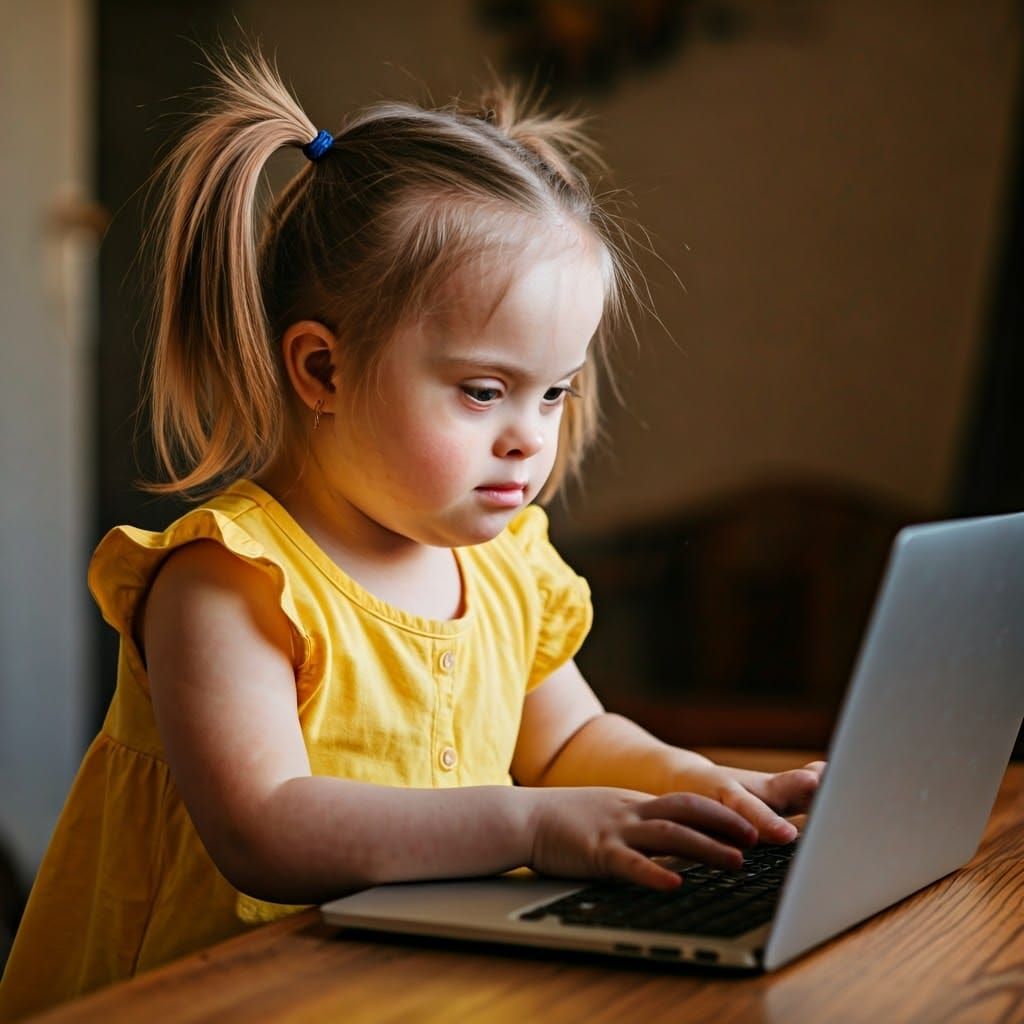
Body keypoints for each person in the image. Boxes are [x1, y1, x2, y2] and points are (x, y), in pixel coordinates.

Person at [0, 47, 823, 1019]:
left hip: (401, 979)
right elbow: (266, 828)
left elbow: (571, 740)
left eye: (554, 391)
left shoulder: (505, 563)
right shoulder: (230, 580)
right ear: (322, 370)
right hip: (212, 996)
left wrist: (714, 791)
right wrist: (533, 826)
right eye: (483, 390)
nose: (530, 437)